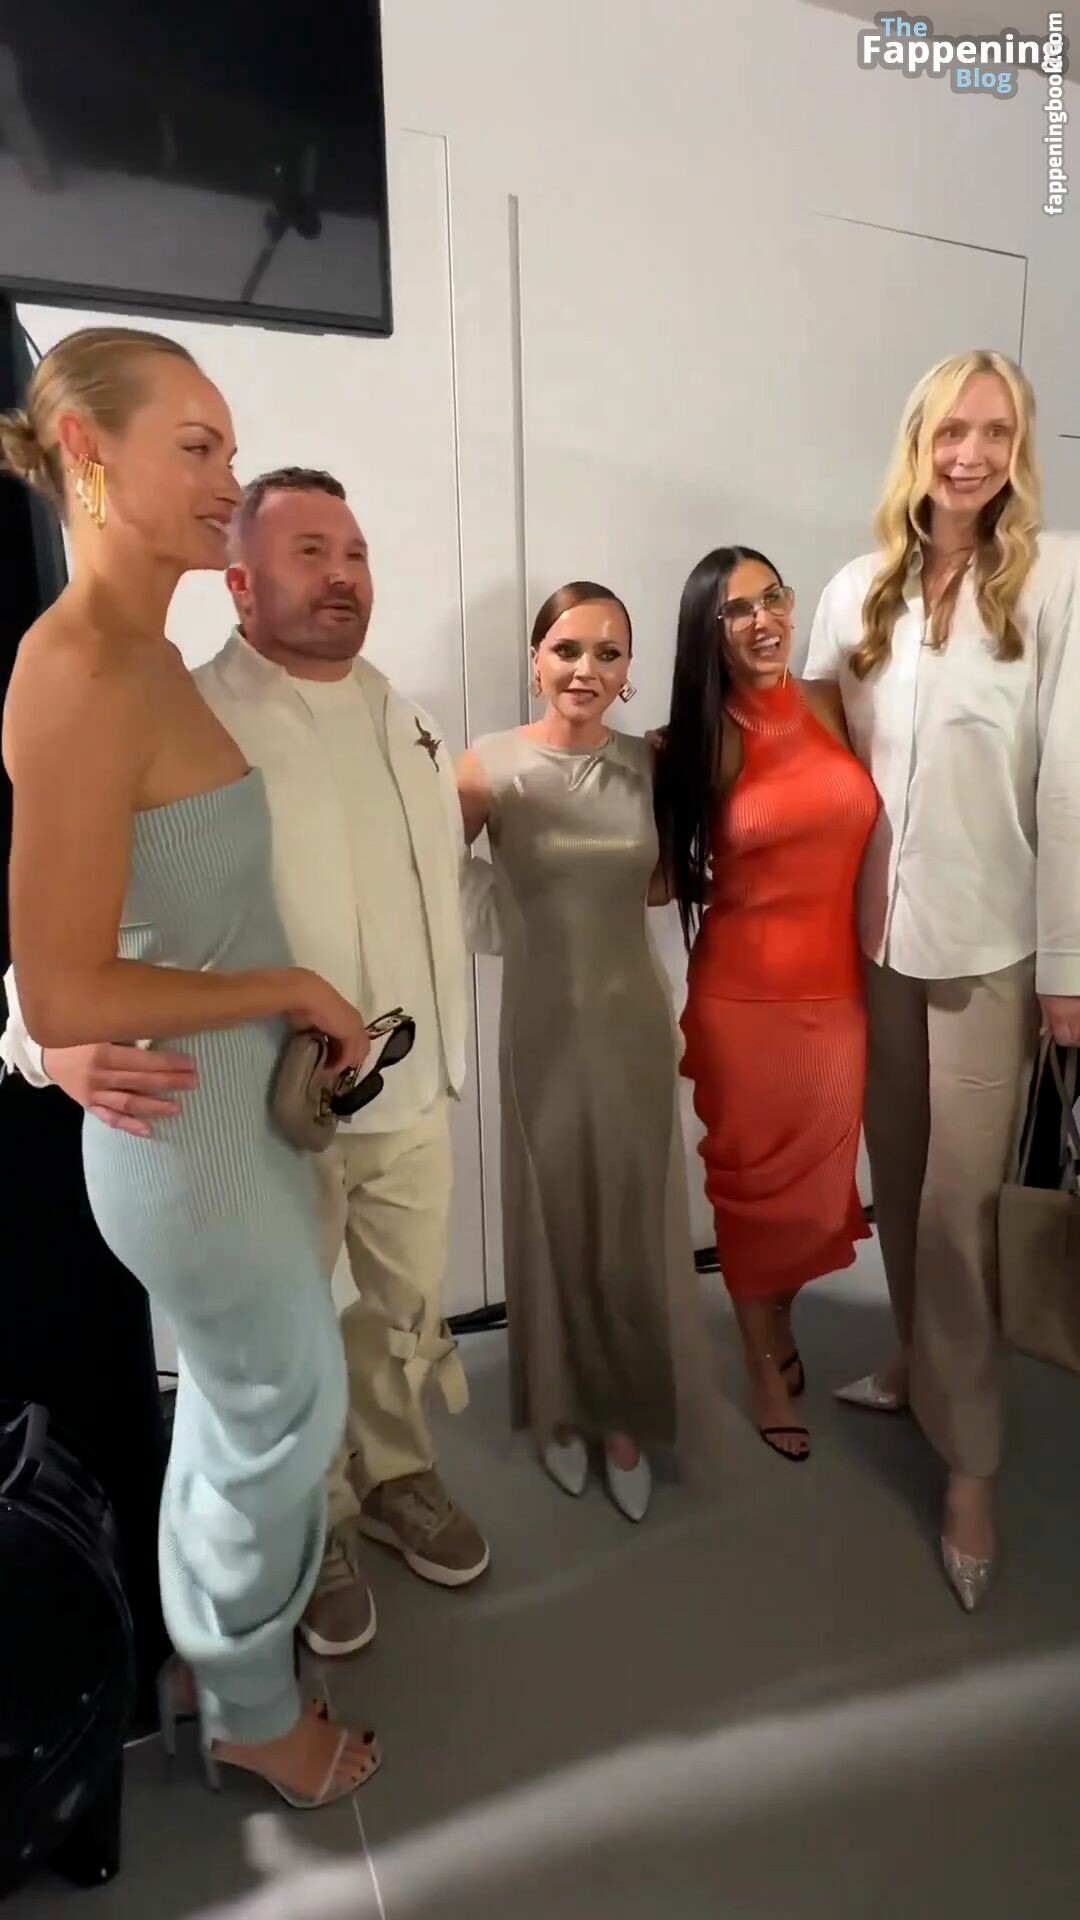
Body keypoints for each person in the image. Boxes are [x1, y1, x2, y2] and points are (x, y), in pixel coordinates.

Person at [2, 464, 497, 1662]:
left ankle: (396, 1473)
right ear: (238, 582)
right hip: (265, 1110)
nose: (344, 576)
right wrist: (42, 1034)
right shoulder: (185, 719)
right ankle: (314, 1524)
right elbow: (73, 899)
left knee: (400, 1311)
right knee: (288, 1341)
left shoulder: (405, 718)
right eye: (310, 552)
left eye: (356, 552)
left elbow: (438, 888)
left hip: (409, 1094)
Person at [0, 326, 379, 1805]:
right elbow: (61, 985)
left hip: (231, 1115)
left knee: (241, 1412)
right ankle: (255, 1714)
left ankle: (208, 1665)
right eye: (198, 447)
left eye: (232, 447)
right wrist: (287, 985)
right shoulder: (76, 667)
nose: (229, 479)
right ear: (86, 451)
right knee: (286, 1411)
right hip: (182, 1135)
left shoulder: (147, 655)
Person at [804, 347, 1080, 1610]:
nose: (971, 453)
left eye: (996, 431)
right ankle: (917, 1360)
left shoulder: (1058, 578)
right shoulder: (855, 589)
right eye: (951, 430)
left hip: (992, 948)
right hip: (876, 943)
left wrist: (1068, 963)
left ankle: (972, 1466)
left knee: (963, 1214)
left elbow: (1069, 783)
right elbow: (810, 766)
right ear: (917, 441)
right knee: (902, 1182)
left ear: (1020, 449)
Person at [455, 582, 722, 1523]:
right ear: (536, 660)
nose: (586, 669)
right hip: (540, 1024)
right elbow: (425, 868)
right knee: (552, 1208)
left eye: (609, 653)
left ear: (627, 672)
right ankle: (562, 1408)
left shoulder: (650, 766)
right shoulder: (488, 765)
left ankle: (627, 1419)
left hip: (632, 1020)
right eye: (568, 649)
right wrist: (512, 922)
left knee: (631, 1215)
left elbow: (659, 885)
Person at [652, 548, 878, 1463]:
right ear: (709, 634)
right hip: (743, 1004)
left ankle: (776, 1311)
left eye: (772, 598)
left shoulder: (832, 704)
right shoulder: (692, 743)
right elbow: (658, 879)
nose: (762, 620)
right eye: (736, 610)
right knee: (750, 1190)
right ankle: (761, 1361)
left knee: (817, 1197)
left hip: (840, 995)